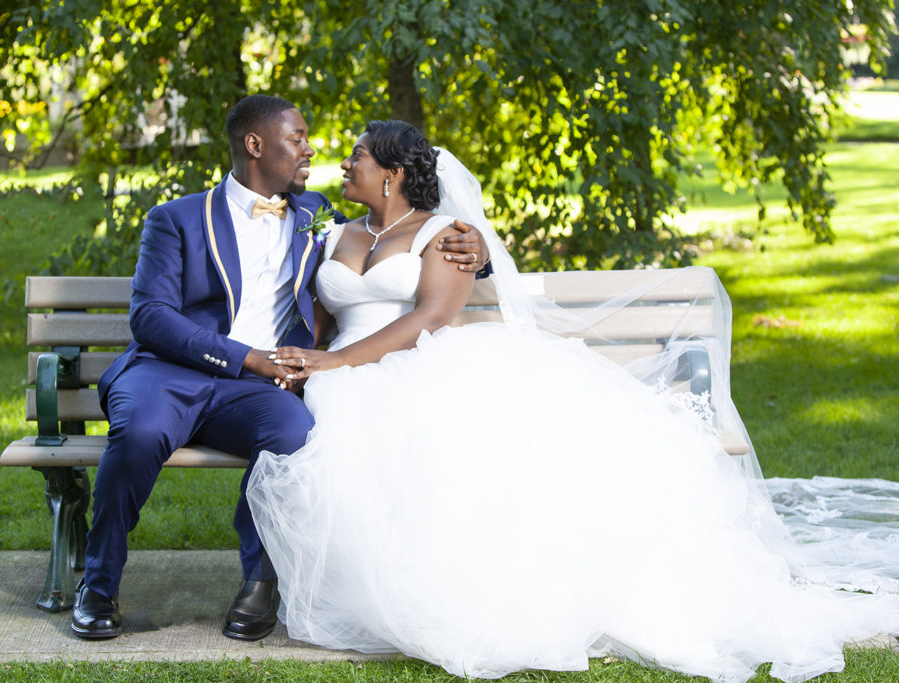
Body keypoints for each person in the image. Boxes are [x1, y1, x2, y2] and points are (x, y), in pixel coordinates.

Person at [246, 120, 899, 681]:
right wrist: (310, 360)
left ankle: (436, 594)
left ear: (390, 172)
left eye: (358, 154)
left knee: (417, 447)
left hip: (408, 364)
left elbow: (431, 318)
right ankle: (334, 588)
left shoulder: (446, 233)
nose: (343, 161)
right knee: (332, 438)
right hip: (339, 373)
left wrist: (335, 361)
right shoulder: (331, 230)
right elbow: (320, 313)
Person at [70, 96, 488, 641]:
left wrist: (476, 251)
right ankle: (98, 586)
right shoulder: (175, 218)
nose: (311, 150)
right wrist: (245, 357)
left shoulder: (318, 213)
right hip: (169, 373)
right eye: (298, 138)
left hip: (257, 389)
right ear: (255, 144)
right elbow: (150, 317)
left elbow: (401, 230)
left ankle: (259, 585)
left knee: (295, 433)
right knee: (140, 432)